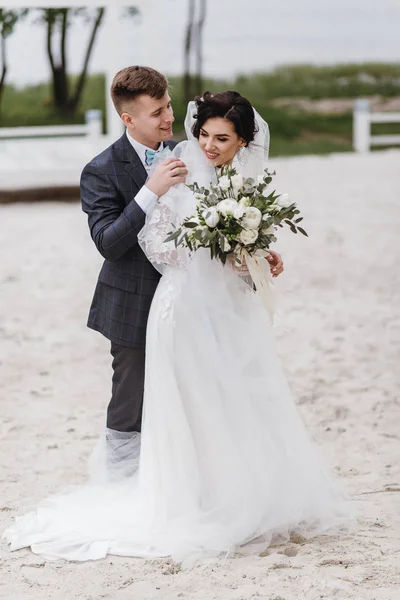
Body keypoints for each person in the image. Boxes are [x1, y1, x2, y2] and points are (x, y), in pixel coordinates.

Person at [3, 90, 352, 563]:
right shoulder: (171, 168)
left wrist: (252, 258)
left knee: (234, 393)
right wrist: (213, 246)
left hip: (226, 306)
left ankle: (238, 493)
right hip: (180, 302)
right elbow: (156, 243)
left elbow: (233, 256)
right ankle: (181, 497)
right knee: (177, 397)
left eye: (220, 138)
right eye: (203, 133)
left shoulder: (244, 181)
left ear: (243, 142)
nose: (206, 144)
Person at [79, 66, 283, 472]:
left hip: (200, 303)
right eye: (157, 112)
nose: (170, 118)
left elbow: (214, 225)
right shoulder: (101, 169)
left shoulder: (190, 154)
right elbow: (108, 243)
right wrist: (149, 191)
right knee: (130, 397)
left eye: (168, 105)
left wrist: (253, 254)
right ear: (128, 119)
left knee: (198, 394)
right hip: (134, 303)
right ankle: (121, 482)